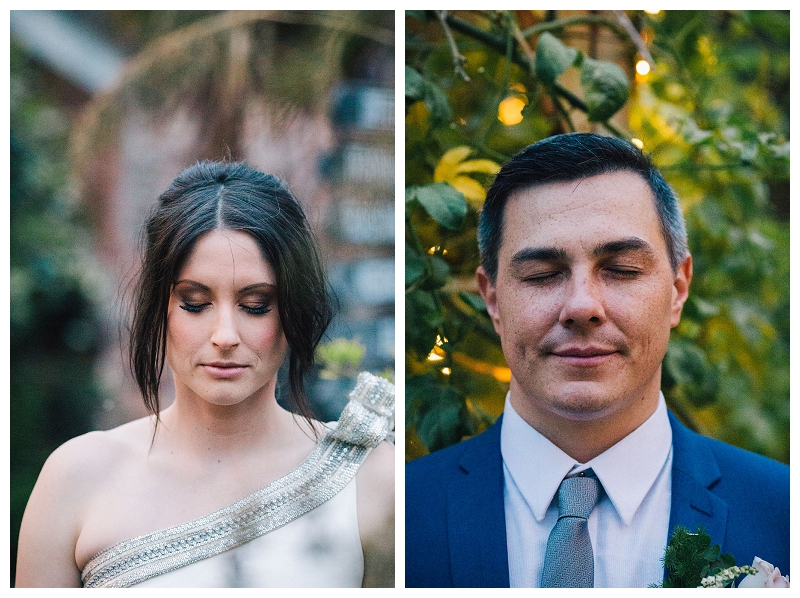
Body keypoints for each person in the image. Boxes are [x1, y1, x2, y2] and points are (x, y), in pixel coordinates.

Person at [405, 133, 788, 588]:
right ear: (492, 298)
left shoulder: (784, 513)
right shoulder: (405, 511)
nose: (582, 306)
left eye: (621, 270)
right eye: (542, 275)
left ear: (678, 289)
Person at [16, 161, 395, 588]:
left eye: (256, 306)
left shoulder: (373, 480)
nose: (225, 336)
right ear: (159, 308)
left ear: (293, 310)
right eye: (195, 303)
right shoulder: (76, 477)